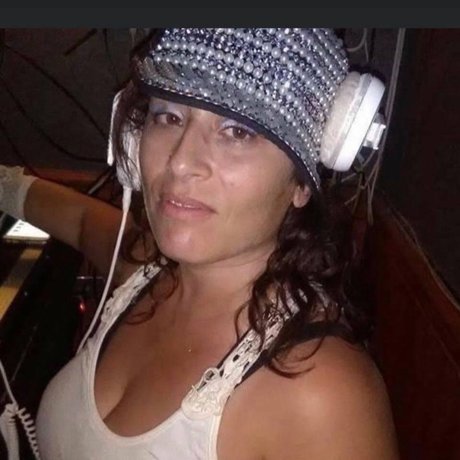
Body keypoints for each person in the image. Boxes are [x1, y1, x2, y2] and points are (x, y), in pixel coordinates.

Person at [0, 28, 398, 459]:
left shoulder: (325, 394)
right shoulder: (144, 270)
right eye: (168, 117)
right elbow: (79, 220)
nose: (180, 162)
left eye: (238, 131)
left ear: (301, 183)